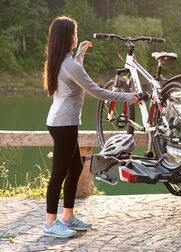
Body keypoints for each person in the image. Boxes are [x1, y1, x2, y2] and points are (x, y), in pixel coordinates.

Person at [42, 16, 139, 238]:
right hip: (64, 124)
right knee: (58, 173)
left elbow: (74, 73)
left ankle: (68, 217)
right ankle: (50, 223)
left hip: (60, 122)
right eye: (75, 33)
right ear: (67, 37)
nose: (77, 36)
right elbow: (97, 91)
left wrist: (80, 54)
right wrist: (127, 96)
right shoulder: (68, 66)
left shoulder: (59, 61)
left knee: (75, 167)